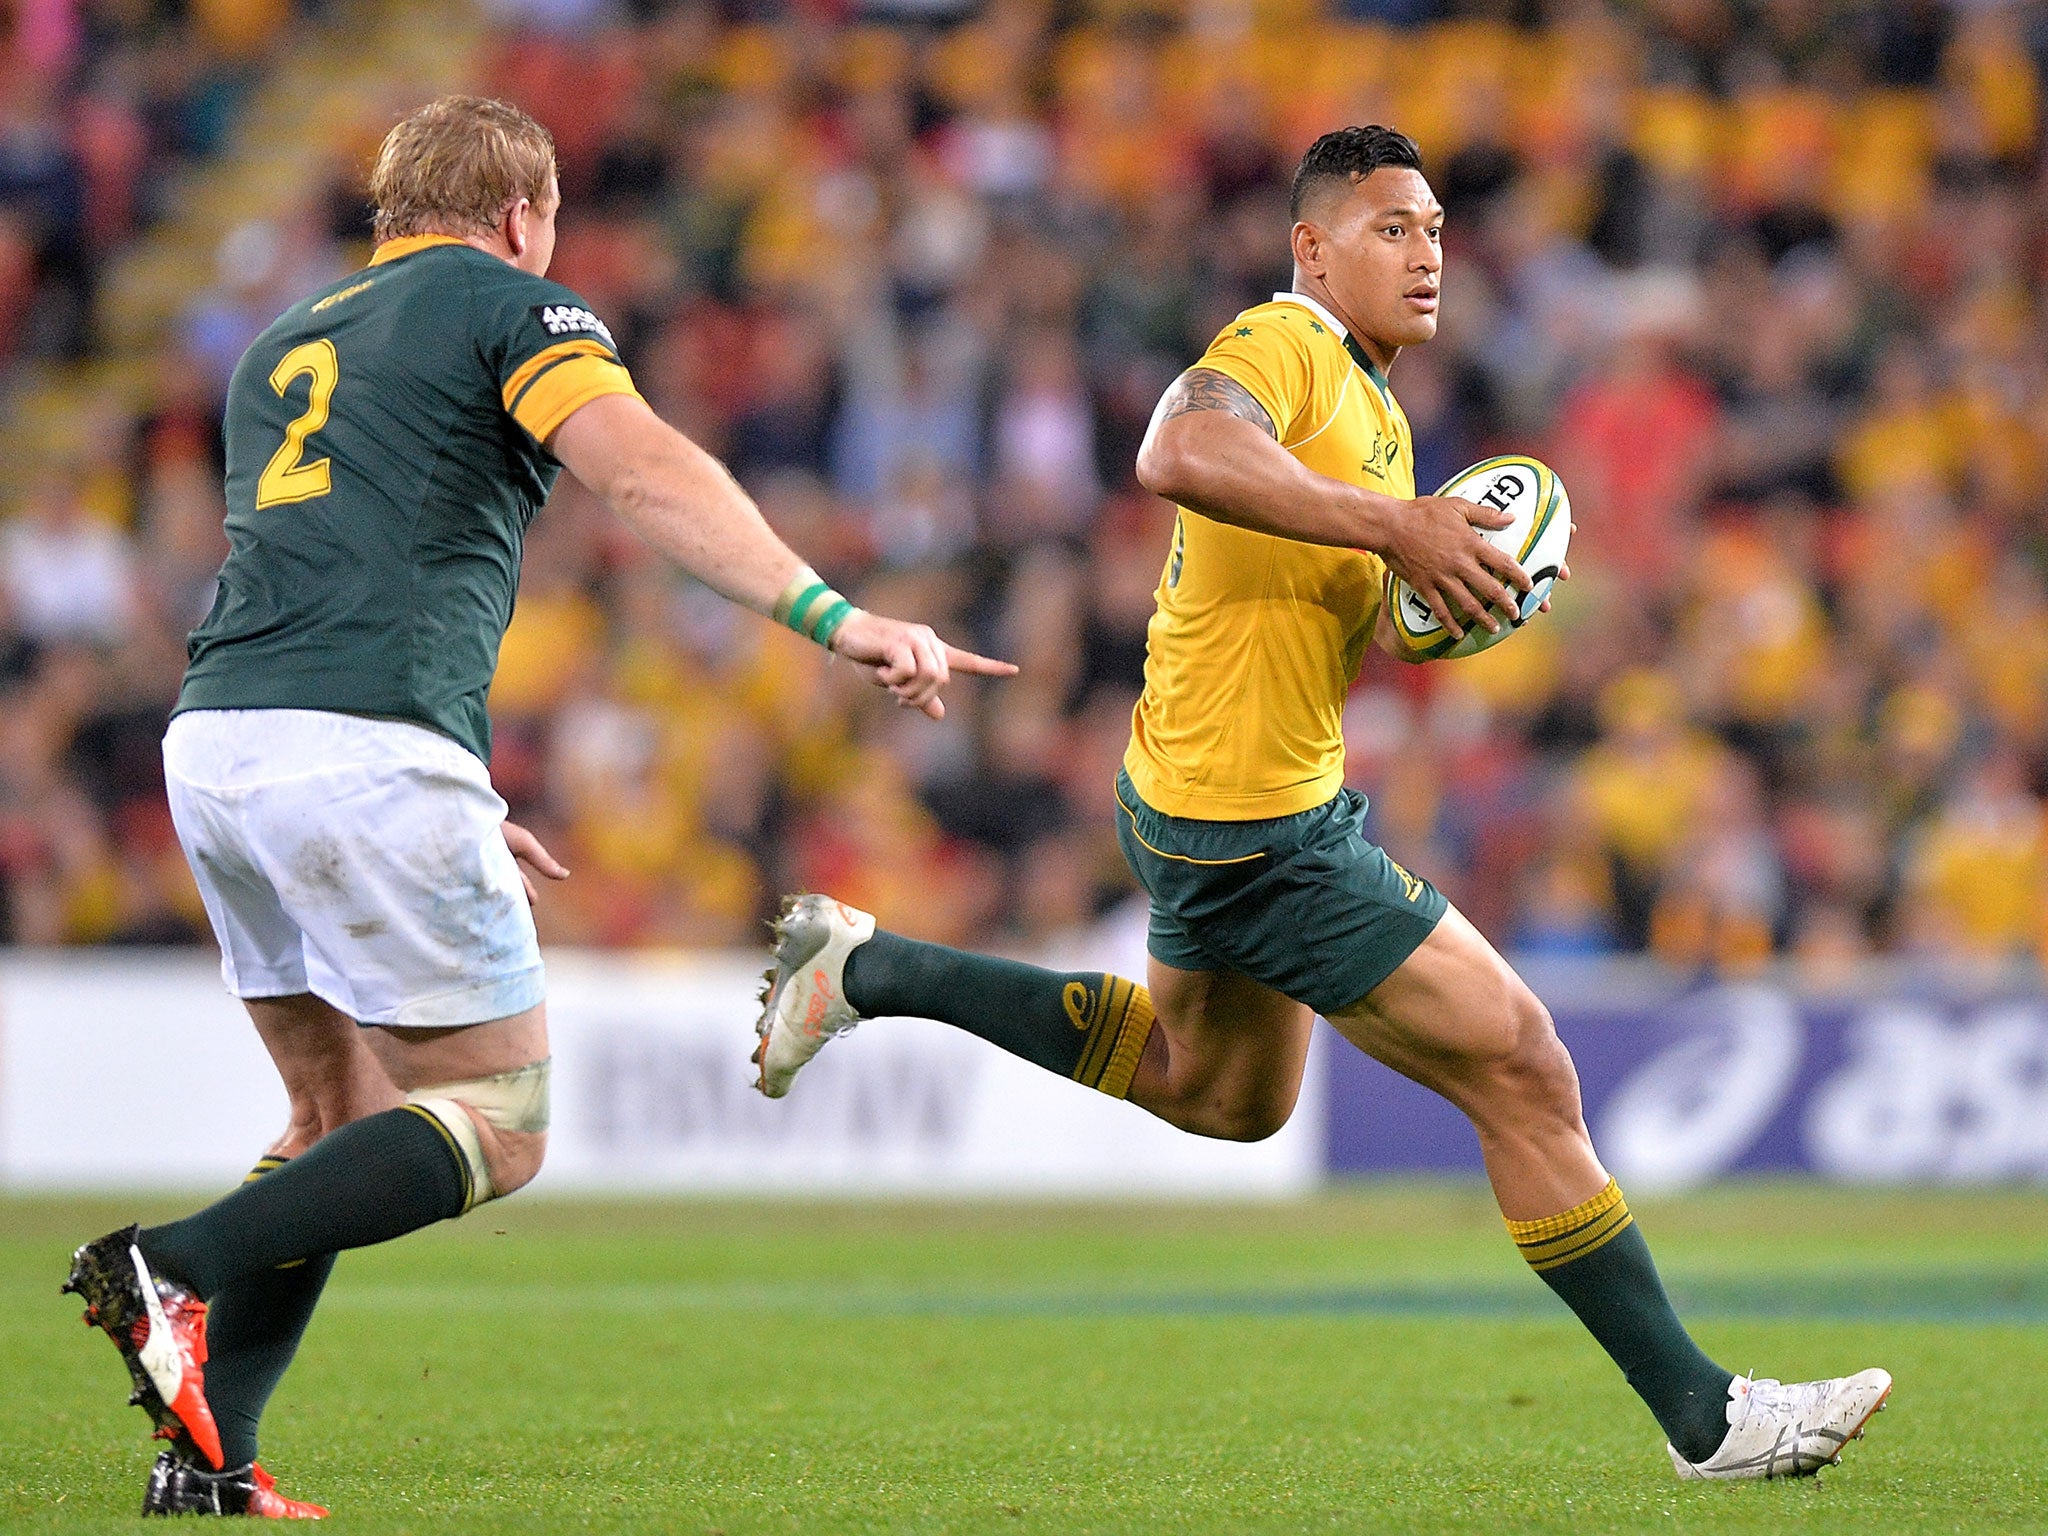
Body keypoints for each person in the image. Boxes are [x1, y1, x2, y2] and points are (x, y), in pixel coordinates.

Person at [754, 126, 1890, 1483]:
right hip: (1256, 824)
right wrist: (1398, 528)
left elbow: (1344, 589)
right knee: (1521, 1062)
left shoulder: (1378, 409)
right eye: (1392, 229)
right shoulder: (1283, 346)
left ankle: (870, 967)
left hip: (1202, 795)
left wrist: (1454, 596)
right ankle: (1708, 1417)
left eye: (1438, 233)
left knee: (1221, 1096)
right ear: (1313, 246)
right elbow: (1177, 452)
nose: (1428, 257)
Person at [62, 95, 1013, 1518]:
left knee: (334, 1112)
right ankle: (176, 1267)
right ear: (523, 216)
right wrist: (832, 613)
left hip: (220, 745)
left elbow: (339, 559)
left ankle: (212, 1461)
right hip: (361, 749)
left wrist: (440, 791)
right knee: (500, 1118)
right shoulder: (515, 306)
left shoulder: (282, 343)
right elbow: (640, 469)